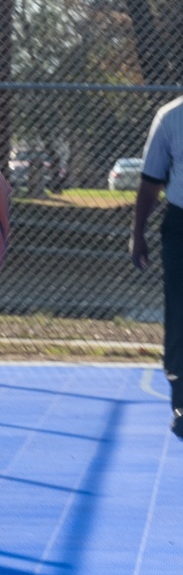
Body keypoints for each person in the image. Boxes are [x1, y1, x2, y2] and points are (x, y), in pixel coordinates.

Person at [132, 95, 183, 437]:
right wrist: (137, 233)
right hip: (181, 226)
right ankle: (182, 403)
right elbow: (151, 180)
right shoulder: (170, 117)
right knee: (180, 315)